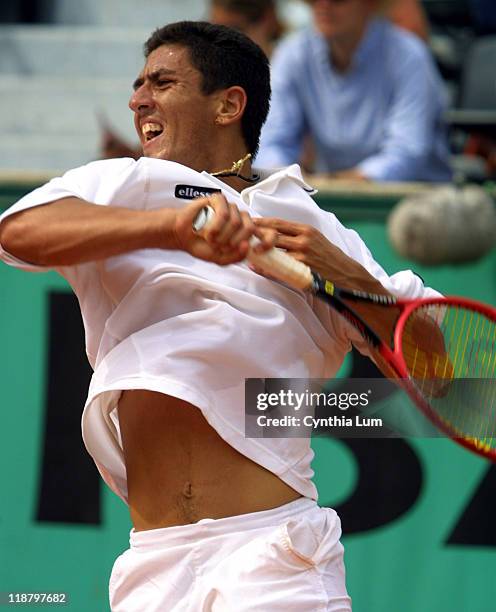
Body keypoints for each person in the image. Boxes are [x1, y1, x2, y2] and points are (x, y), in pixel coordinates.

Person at [0, 21, 439, 611]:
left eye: (162, 82)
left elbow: (454, 378)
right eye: (137, 85)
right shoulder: (119, 183)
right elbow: (17, 233)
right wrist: (170, 229)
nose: (138, 99)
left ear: (229, 105)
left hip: (274, 556)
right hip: (152, 565)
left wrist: (348, 280)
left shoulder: (313, 226)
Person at [256, 0, 452, 182]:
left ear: (371, 4)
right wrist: (284, 178)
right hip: (330, 198)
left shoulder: (409, 55)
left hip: (414, 199)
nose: (323, 4)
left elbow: (408, 152)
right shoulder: (293, 53)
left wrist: (340, 182)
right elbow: (271, 141)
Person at [100, 0, 284, 160]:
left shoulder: (288, 65)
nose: (134, 102)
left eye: (163, 83)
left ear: (229, 105)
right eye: (215, 27)